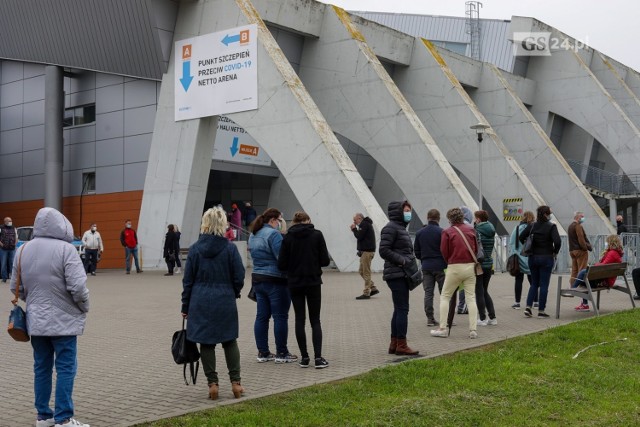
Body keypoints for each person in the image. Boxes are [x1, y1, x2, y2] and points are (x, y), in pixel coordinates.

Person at [11, 207, 90, 427]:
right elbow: (79, 288)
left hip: (36, 321)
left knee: (41, 367)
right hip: (64, 321)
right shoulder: (67, 249)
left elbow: (16, 288)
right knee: (66, 367)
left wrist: (35, 304)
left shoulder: (23, 250)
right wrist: (84, 307)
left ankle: (44, 416)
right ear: (62, 225)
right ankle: (64, 418)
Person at [181, 207, 245, 400]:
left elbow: (188, 281)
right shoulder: (230, 249)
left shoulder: (195, 249)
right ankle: (236, 383)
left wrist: (185, 306)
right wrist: (233, 292)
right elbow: (239, 276)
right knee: (229, 340)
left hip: (199, 300)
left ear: (205, 224)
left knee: (206, 343)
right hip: (224, 298)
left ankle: (213, 385)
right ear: (223, 224)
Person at [278, 211, 331, 369]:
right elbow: (325, 261)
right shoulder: (317, 235)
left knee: (299, 319)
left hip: (294, 282)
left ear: (294, 222)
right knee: (315, 320)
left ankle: (304, 358)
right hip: (313, 281)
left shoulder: (287, 237)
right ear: (308, 220)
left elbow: (281, 264)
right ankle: (319, 358)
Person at [248, 208, 298, 364]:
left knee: (262, 317)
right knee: (280, 316)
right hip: (276, 280)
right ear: (273, 220)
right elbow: (282, 259)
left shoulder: (253, 233)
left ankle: (263, 352)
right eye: (280, 220)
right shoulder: (273, 234)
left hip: (258, 279)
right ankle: (281, 353)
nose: (280, 223)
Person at [431, 207, 480, 339]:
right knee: (470, 298)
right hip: (470, 267)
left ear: (450, 219)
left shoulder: (447, 232)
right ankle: (473, 330)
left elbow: (444, 251)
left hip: (454, 266)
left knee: (445, 296)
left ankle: (442, 328)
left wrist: (450, 261)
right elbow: (475, 248)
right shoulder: (471, 229)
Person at [379, 200, 419, 355]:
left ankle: (395, 343)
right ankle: (401, 344)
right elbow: (383, 250)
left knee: (398, 309)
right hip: (397, 274)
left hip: (400, 273)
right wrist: (402, 260)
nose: (409, 213)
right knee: (402, 309)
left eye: (409, 210)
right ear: (398, 211)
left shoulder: (400, 228)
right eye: (406, 210)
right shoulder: (391, 228)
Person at [519, 205, 561, 318]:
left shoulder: (532, 226)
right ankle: (541, 311)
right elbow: (557, 241)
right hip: (546, 258)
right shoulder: (551, 226)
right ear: (546, 214)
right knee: (544, 285)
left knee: (534, 283)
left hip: (533, 258)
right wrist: (555, 251)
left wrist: (528, 245)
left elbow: (521, 236)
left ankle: (528, 306)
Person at [570, 234, 624, 311]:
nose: (606, 243)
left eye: (607, 242)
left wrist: (594, 265)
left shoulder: (612, 253)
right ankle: (584, 304)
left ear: (611, 242)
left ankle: (573, 289)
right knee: (583, 279)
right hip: (606, 279)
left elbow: (603, 265)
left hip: (604, 281)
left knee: (582, 273)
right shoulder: (615, 253)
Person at [413, 208, 446, 326]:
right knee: (444, 293)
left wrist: (423, 258)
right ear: (439, 218)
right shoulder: (442, 232)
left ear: (428, 218)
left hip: (426, 266)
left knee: (428, 293)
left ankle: (430, 318)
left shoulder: (419, 233)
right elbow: (446, 250)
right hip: (441, 266)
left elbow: (416, 251)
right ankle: (445, 318)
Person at [509, 211, 536, 309]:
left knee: (518, 280)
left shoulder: (517, 229)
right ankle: (536, 301)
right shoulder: (534, 228)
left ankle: (517, 303)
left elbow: (512, 243)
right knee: (533, 281)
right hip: (530, 257)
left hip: (519, 257)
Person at [474, 211, 497, 326]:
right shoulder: (491, 229)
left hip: (479, 265)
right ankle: (492, 317)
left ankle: (482, 318)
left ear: (478, 219)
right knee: (484, 291)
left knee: (479, 291)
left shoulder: (477, 231)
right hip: (488, 263)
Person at [351, 212, 379, 300]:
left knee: (366, 272)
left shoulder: (364, 224)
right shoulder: (365, 224)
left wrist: (354, 229)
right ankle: (373, 288)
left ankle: (366, 293)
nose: (354, 222)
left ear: (359, 218)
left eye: (355, 220)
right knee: (361, 271)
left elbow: (359, 236)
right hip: (365, 252)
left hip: (367, 252)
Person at [456, 206, 475, 314]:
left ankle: (460, 306)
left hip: (455, 261)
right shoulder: (469, 227)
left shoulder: (453, 227)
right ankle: (463, 306)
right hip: (467, 261)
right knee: (467, 286)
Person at [567, 211, 592, 286]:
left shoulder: (570, 226)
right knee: (582, 269)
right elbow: (581, 239)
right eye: (582, 216)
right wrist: (585, 248)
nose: (583, 218)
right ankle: (580, 286)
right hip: (580, 251)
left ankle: (572, 285)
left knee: (574, 270)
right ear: (577, 217)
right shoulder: (578, 226)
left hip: (572, 251)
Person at [1, 216, 17, 283]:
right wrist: (1, 244)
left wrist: (15, 243)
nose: (11, 222)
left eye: (11, 221)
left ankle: (12, 278)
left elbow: (16, 236)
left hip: (12, 248)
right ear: (5, 222)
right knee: (3, 264)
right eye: (9, 221)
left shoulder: (13, 228)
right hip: (3, 249)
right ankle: (4, 278)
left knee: (12, 263)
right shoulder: (1, 228)